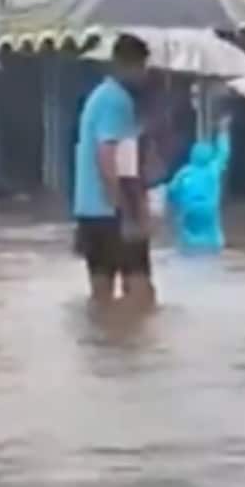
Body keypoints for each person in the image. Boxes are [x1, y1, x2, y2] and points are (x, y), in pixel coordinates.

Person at [72, 34, 156, 306]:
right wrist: (125, 206)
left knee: (101, 294)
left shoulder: (100, 96)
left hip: (89, 209)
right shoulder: (117, 101)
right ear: (129, 65)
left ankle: (103, 344)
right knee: (141, 294)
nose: (145, 74)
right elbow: (108, 154)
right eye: (142, 67)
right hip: (112, 211)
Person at [166, 118, 231, 254]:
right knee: (212, 237)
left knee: (187, 239)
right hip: (209, 209)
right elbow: (223, 153)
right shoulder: (212, 169)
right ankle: (213, 250)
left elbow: (171, 191)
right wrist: (223, 132)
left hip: (188, 210)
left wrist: (176, 206)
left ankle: (188, 250)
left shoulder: (184, 172)